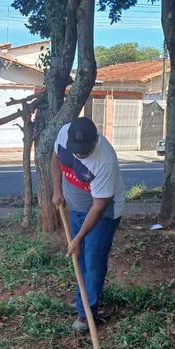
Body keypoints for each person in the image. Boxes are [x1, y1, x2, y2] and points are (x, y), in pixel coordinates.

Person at [51, 117, 125, 333]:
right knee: (79, 257)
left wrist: (79, 238)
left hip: (102, 213)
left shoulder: (105, 161)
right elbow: (55, 159)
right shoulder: (65, 133)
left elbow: (99, 206)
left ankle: (86, 314)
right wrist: (57, 190)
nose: (78, 154)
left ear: (95, 141)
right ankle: (82, 298)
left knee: (92, 261)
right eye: (76, 149)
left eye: (84, 150)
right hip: (76, 207)